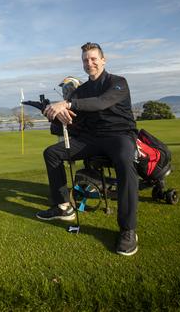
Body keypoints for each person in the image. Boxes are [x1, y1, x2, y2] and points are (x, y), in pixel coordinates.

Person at [36, 42, 140, 256]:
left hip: (119, 136)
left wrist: (68, 105)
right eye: (85, 60)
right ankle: (64, 206)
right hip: (92, 139)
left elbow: (101, 103)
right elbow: (69, 120)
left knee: (124, 159)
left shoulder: (118, 82)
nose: (89, 63)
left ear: (103, 60)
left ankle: (128, 230)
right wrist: (54, 115)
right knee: (52, 153)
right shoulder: (81, 90)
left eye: (93, 59)